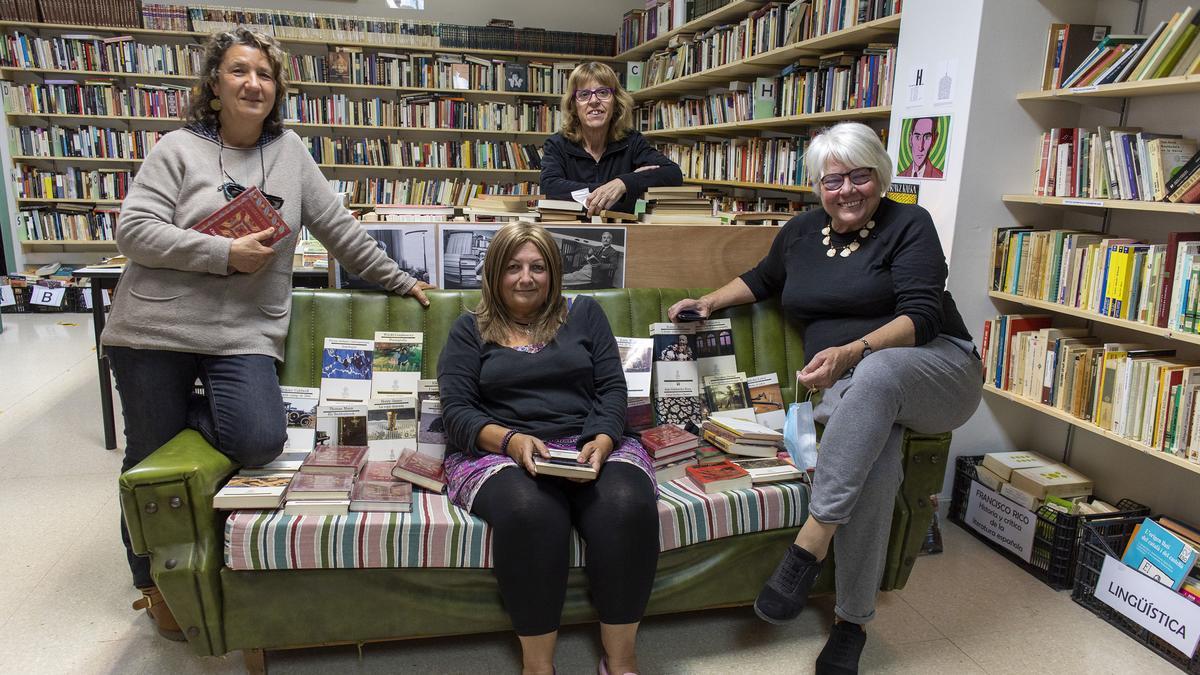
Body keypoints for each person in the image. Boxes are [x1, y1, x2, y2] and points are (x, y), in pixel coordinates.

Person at [101, 28, 433, 640]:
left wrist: (401, 281)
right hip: (152, 326)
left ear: (277, 88)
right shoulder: (176, 148)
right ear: (214, 85)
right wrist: (222, 251)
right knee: (149, 457)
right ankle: (151, 582)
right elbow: (134, 232)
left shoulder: (292, 154)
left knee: (258, 439)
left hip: (241, 333)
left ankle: (190, 415)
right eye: (238, 71)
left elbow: (342, 231)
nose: (253, 82)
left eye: (264, 73)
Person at [668, 122, 980, 675]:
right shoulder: (800, 233)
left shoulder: (910, 223)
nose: (849, 190)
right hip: (852, 393)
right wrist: (709, 300)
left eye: (861, 176)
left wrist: (851, 351)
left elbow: (924, 315)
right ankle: (851, 625)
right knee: (873, 452)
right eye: (834, 180)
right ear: (818, 185)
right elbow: (763, 278)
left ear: (880, 177)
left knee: (878, 374)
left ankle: (808, 546)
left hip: (937, 370)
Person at [438, 221, 659, 675]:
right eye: (514, 267)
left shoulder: (586, 314)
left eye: (538, 267)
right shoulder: (468, 329)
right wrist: (511, 440)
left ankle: (621, 661)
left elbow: (612, 391)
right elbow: (457, 410)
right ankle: (538, 667)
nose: (526, 278)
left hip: (588, 442)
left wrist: (600, 438)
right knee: (531, 513)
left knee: (626, 503)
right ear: (495, 273)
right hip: (500, 451)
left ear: (554, 273)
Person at [541, 62, 683, 216]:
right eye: (584, 94)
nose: (594, 101)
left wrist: (623, 183)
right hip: (571, 232)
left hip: (623, 233)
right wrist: (614, 188)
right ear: (574, 105)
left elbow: (673, 174)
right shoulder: (557, 144)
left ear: (616, 101)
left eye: (603, 92)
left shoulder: (632, 141)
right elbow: (550, 187)